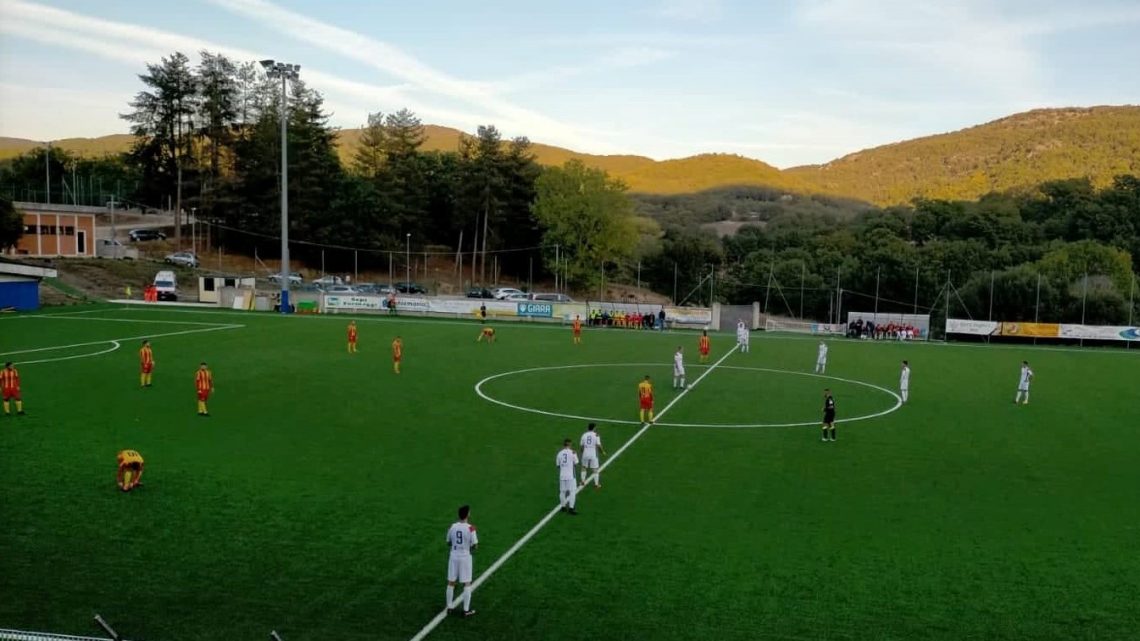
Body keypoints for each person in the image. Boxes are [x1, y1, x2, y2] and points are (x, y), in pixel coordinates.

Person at [445, 504, 478, 618]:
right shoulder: (470, 528)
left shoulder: (452, 526)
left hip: (454, 556)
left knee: (451, 582)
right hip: (465, 557)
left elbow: (448, 542)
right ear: (467, 514)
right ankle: (465, 610)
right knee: (467, 583)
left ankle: (449, 607)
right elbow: (475, 545)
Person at [579, 422, 606, 489]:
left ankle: (582, 481)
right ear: (594, 428)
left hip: (585, 452)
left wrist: (581, 452)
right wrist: (602, 452)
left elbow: (582, 446)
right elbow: (598, 445)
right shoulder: (596, 435)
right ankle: (596, 484)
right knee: (595, 469)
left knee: (584, 467)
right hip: (593, 453)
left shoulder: (584, 435)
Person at [556, 439, 579, 515]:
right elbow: (576, 463)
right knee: (572, 492)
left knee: (562, 492)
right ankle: (571, 508)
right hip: (571, 476)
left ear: (564, 445)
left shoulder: (559, 453)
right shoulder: (572, 452)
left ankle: (563, 507)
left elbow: (558, 465)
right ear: (570, 445)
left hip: (562, 475)